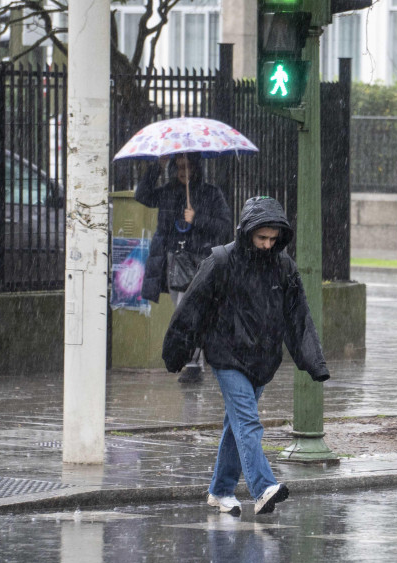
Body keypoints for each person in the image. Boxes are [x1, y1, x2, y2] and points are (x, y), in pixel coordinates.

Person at [163, 196, 330, 516]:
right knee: (248, 422)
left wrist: (314, 362)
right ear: (247, 232)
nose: (268, 245)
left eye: (273, 239)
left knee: (236, 424)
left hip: (262, 359)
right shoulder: (221, 261)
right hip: (226, 356)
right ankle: (263, 486)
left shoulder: (284, 267)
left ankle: (220, 490)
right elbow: (191, 309)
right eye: (261, 237)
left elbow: (299, 317)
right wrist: (177, 352)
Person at [135, 152, 232, 384]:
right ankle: (194, 360)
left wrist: (196, 219)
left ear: (197, 168)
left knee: (190, 310)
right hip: (174, 262)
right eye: (178, 167)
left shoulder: (210, 193)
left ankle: (193, 363)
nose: (183, 172)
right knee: (182, 311)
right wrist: (156, 167)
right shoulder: (168, 193)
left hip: (200, 262)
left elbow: (224, 226)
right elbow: (143, 195)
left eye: (188, 167)